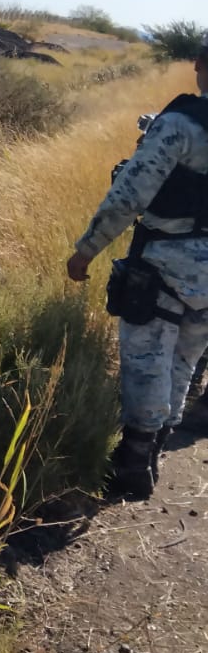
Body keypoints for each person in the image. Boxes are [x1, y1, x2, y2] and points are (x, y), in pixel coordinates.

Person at [67, 42, 208, 498]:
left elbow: (129, 196)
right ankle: (155, 453)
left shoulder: (179, 125)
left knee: (148, 363)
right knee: (183, 363)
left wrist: (87, 250)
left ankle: (133, 464)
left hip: (164, 264)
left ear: (199, 65)